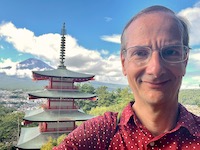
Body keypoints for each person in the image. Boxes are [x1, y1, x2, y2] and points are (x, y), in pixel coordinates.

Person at [53, 5, 200, 150]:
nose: (156, 69)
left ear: (185, 61)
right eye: (140, 53)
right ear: (124, 64)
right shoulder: (98, 135)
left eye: (170, 52)